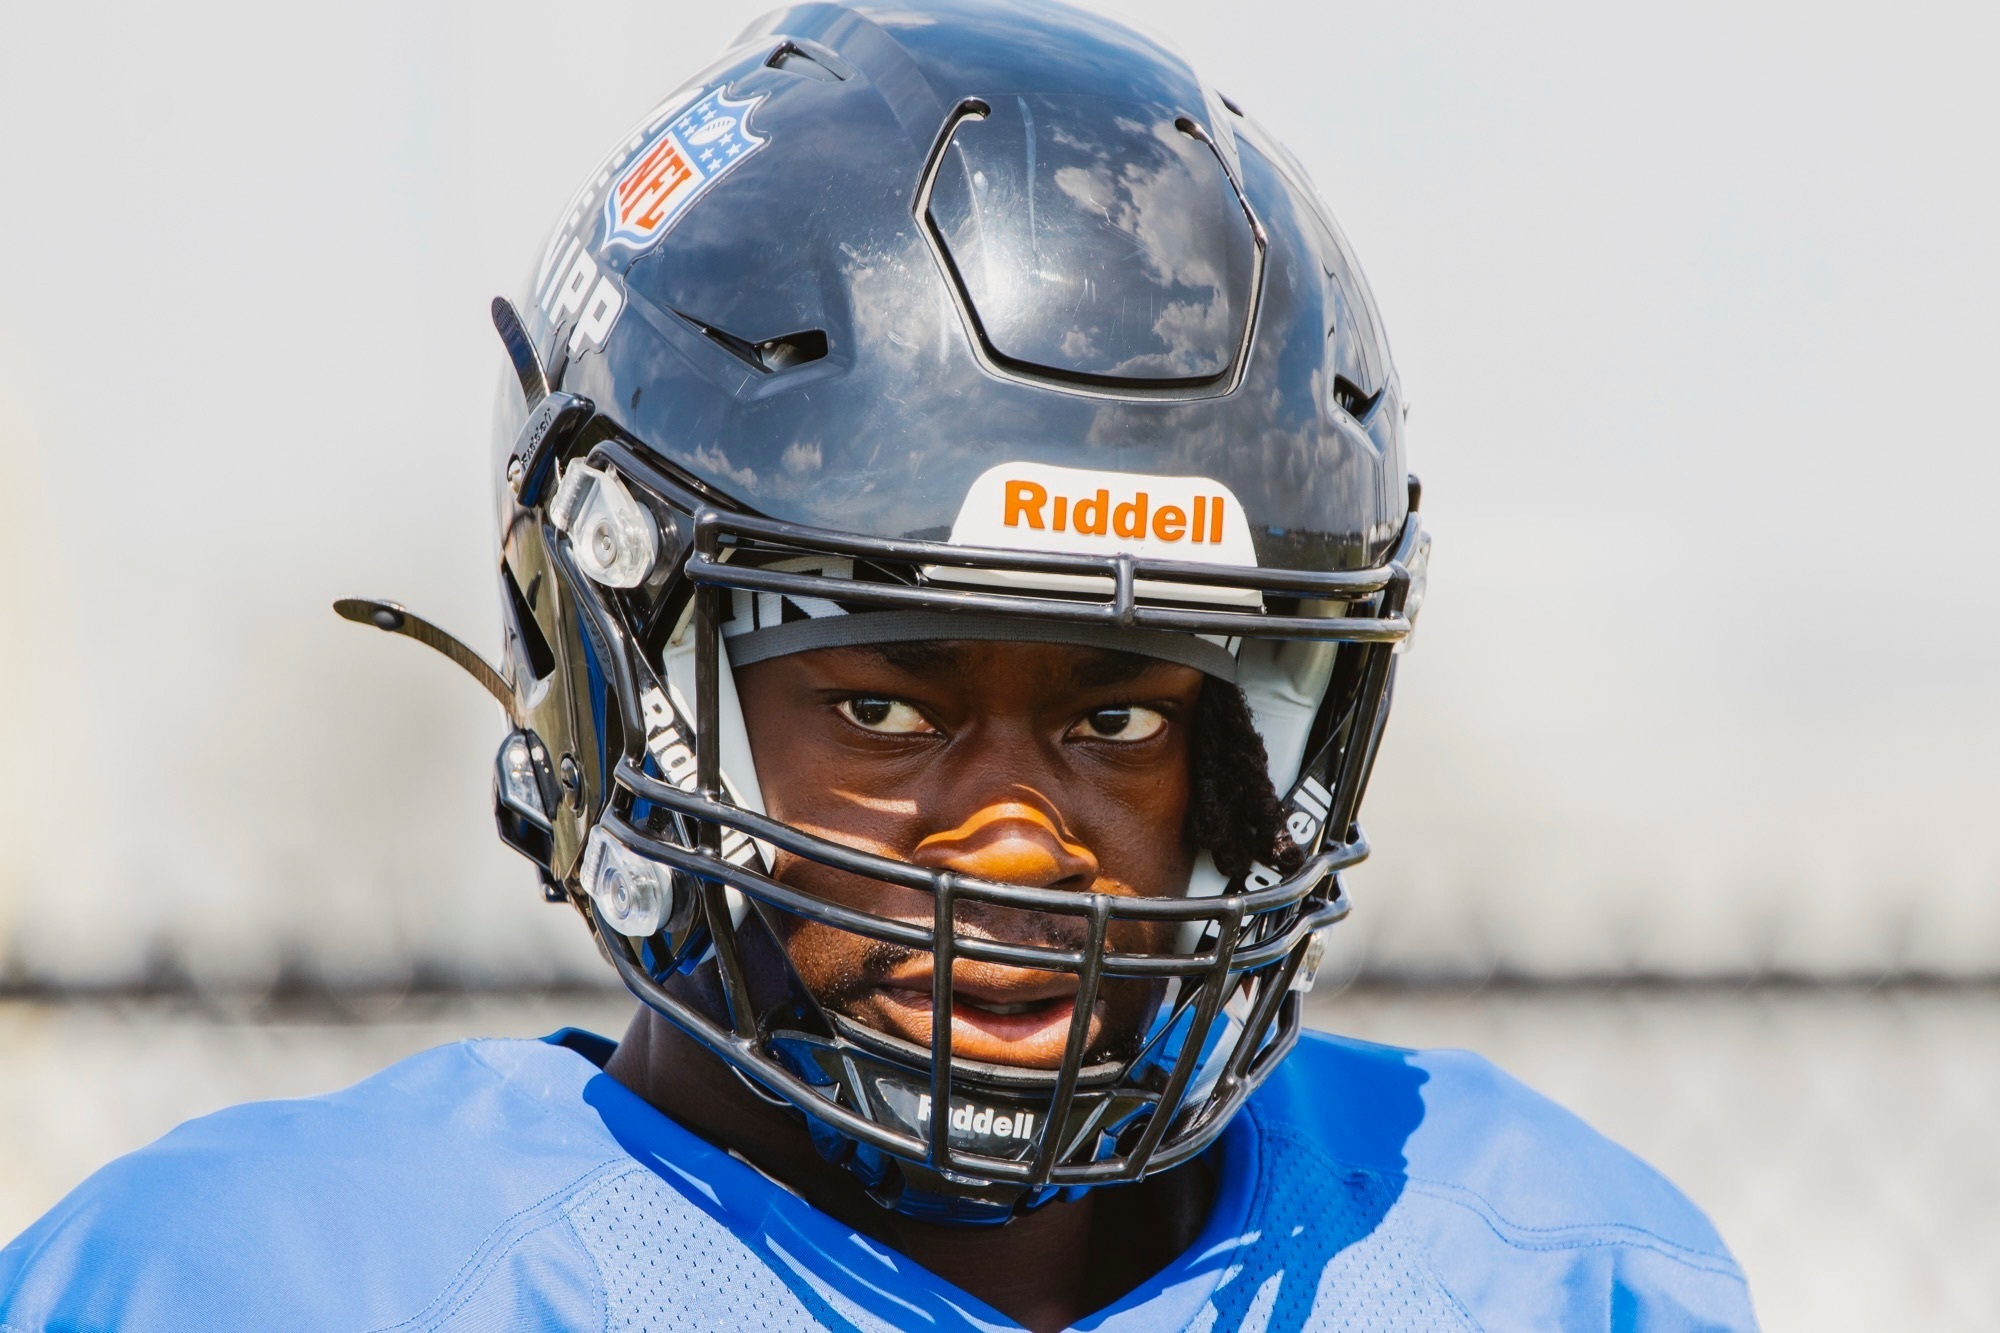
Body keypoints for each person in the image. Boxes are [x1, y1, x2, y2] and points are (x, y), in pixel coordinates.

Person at [0, 1, 1756, 1328]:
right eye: (884, 704)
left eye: (1123, 713)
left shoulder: (1551, 1270)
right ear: (636, 678)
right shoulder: (265, 1286)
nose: (1014, 840)